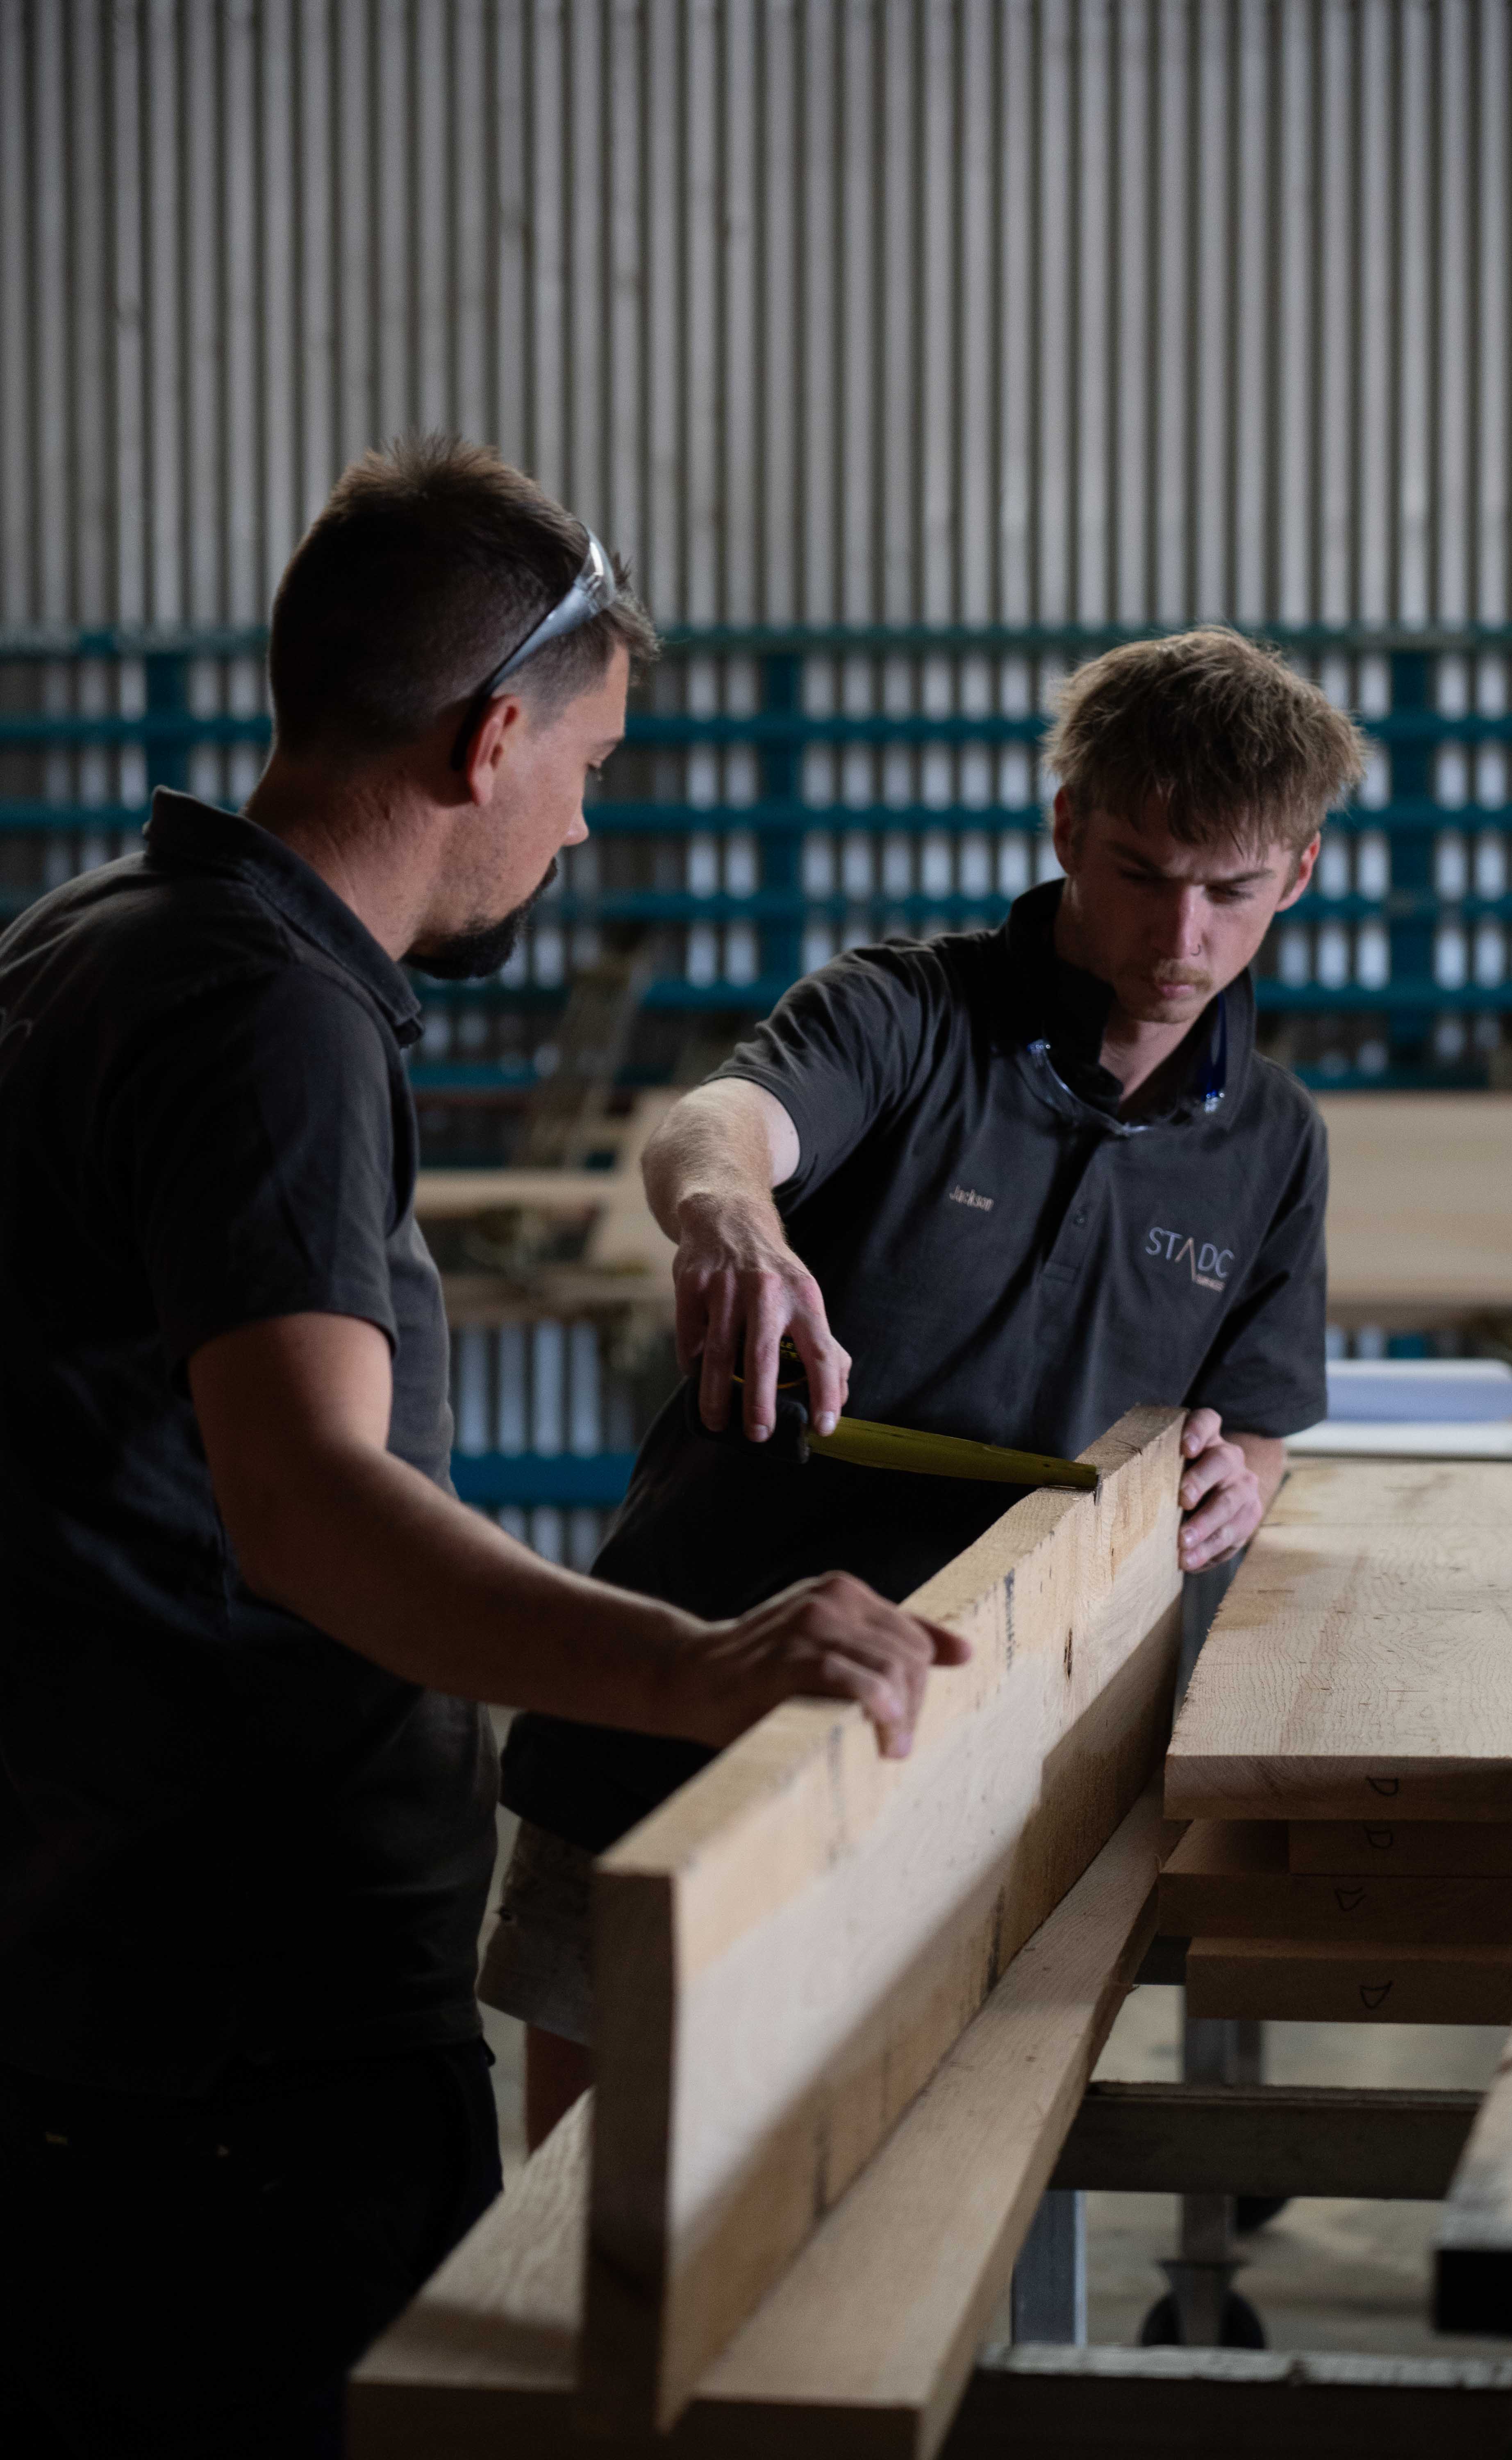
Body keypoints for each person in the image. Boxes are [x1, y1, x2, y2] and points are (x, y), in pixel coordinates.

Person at [0, 436, 966, 2460]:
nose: (581, 823)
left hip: (99, 1971)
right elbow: (310, 1503)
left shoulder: (93, 932)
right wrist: (691, 1664)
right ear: (487, 737)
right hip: (247, 2030)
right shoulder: (270, 1011)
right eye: (590, 769)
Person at [486, 626, 1369, 2143]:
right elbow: (720, 1123)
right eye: (1145, 872)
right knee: (604, 2168)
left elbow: (1264, 1416)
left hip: (995, 1735)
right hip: (702, 1665)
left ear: (1295, 875)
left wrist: (1243, 1478)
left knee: (914, 2163)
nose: (1183, 938)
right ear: (1066, 830)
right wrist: (728, 1219)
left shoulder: (1274, 1142)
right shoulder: (901, 1014)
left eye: (1231, 891)